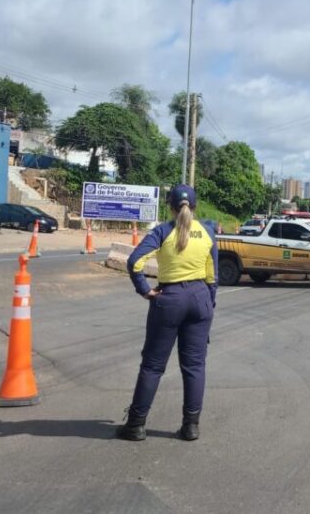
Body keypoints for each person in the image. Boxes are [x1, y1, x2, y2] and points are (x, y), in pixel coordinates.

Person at [118, 184, 218, 442]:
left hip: (169, 299)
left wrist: (144, 290)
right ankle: (191, 426)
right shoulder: (207, 232)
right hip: (200, 299)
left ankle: (136, 425)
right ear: (194, 207)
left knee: (152, 365)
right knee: (195, 366)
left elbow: (134, 262)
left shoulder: (163, 231)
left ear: (170, 207)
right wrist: (209, 305)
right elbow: (212, 276)